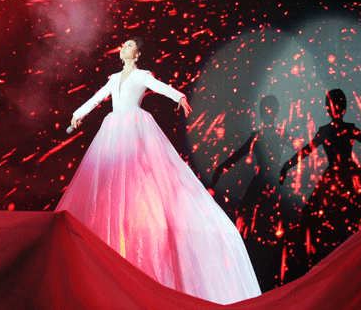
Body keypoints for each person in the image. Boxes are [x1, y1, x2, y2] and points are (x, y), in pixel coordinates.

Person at [56, 38, 261, 305]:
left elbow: (159, 87)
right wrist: (78, 112)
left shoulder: (142, 75)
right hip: (113, 131)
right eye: (122, 46)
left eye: (128, 46)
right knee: (110, 184)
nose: (123, 49)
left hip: (133, 127)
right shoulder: (115, 77)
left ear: (137, 53)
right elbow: (99, 98)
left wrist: (179, 96)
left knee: (137, 180)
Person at [279, 88, 361, 282]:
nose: (333, 108)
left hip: (344, 178)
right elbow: (307, 151)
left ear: (338, 108)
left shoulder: (335, 130)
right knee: (340, 223)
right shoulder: (330, 130)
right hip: (341, 178)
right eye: (331, 105)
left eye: (334, 105)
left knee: (346, 223)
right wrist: (287, 165)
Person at [210, 95, 301, 290]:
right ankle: (258, 264)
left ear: (274, 113)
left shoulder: (274, 134)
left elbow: (300, 148)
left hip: (270, 183)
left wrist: (286, 167)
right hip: (267, 183)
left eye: (271, 110)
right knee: (254, 222)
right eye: (267, 110)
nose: (269, 114)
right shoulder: (261, 135)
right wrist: (221, 168)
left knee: (269, 223)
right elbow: (239, 154)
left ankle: (272, 264)